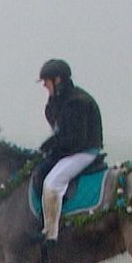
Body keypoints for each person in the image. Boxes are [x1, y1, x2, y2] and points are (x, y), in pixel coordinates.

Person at [36, 58, 102, 244]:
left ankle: (51, 234)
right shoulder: (58, 101)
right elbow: (60, 134)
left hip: (84, 151)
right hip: (70, 150)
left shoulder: (77, 102)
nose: (44, 86)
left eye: (46, 82)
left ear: (57, 80)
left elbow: (74, 139)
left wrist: (52, 149)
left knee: (52, 184)